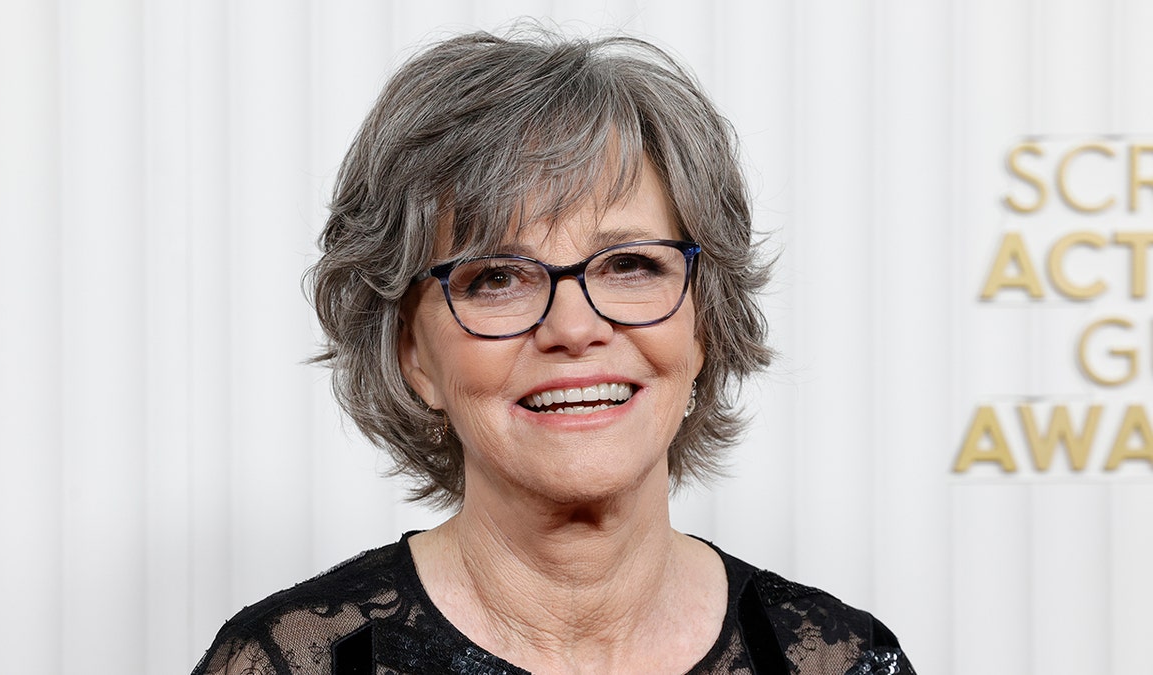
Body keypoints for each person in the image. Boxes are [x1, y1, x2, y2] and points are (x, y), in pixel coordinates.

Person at [193, 27, 915, 675]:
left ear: (701, 325)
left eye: (630, 264)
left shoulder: (836, 658)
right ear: (414, 354)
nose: (573, 327)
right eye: (497, 277)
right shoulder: (289, 661)